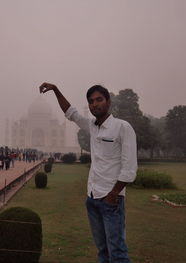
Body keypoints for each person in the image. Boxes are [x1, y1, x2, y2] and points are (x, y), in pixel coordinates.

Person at [40, 82, 137, 263]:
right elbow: (71, 113)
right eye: (91, 101)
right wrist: (56, 90)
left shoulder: (122, 127)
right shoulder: (93, 127)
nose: (95, 104)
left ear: (108, 102)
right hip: (92, 198)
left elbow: (130, 168)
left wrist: (114, 193)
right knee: (102, 251)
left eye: (99, 99)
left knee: (117, 253)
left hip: (111, 199)